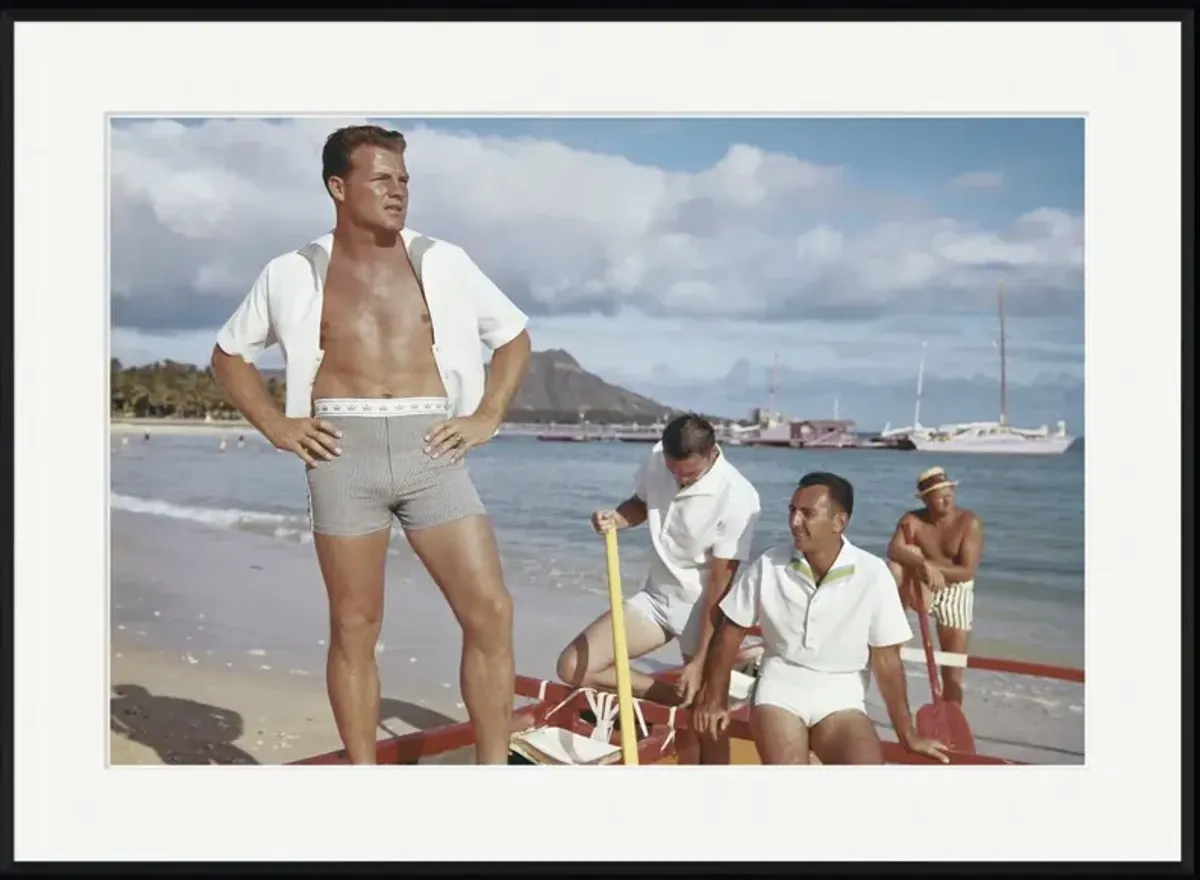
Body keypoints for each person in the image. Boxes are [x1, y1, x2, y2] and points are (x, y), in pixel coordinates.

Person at [210, 124, 532, 765]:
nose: (398, 192)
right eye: (381, 179)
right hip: (341, 455)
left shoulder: (443, 261)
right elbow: (228, 356)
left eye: (404, 180)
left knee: (490, 612)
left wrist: (488, 414)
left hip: (433, 449)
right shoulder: (292, 272)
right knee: (355, 626)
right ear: (339, 186)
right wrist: (277, 426)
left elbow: (515, 335)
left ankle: (493, 774)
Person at [692, 472, 949, 765]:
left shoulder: (873, 573)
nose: (794, 522)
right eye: (792, 511)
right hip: (780, 687)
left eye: (807, 514)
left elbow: (887, 660)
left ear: (840, 522)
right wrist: (714, 698)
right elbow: (730, 632)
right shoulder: (769, 563)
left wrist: (907, 733)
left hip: (842, 695)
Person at [555, 413, 761, 764]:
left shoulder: (739, 498)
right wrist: (617, 519)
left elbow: (719, 587)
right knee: (574, 666)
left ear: (712, 453)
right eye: (673, 471)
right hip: (656, 596)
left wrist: (698, 661)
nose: (679, 480)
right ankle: (675, 697)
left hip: (704, 607)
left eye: (689, 474)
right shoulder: (658, 458)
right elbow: (642, 503)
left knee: (707, 720)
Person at [885, 466, 984, 704]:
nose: (946, 498)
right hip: (922, 585)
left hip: (955, 589)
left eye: (948, 491)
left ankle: (952, 718)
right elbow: (893, 549)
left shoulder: (968, 522)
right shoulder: (913, 520)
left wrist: (933, 567)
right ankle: (892, 629)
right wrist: (923, 564)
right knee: (895, 567)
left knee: (952, 669)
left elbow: (967, 571)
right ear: (926, 499)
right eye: (938, 494)